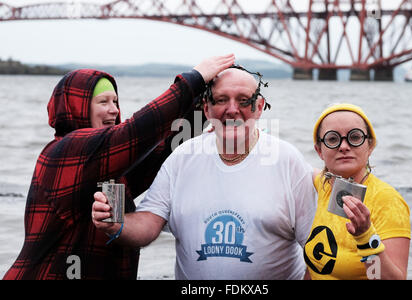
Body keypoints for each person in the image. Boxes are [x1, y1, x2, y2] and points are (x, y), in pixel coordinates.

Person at [3, 54, 235, 280]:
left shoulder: (110, 168)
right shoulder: (64, 151)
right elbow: (137, 132)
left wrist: (207, 110)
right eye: (103, 102)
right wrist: (193, 79)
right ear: (75, 106)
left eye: (115, 101)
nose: (113, 110)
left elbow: (163, 150)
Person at [92, 66, 317, 280]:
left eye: (243, 100)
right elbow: (149, 224)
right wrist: (115, 223)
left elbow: (317, 250)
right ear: (206, 109)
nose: (232, 109)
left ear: (259, 107)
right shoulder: (182, 158)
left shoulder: (288, 160)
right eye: (221, 100)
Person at [303, 103, 411, 280]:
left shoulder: (387, 200)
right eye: (332, 139)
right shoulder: (323, 185)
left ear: (370, 146)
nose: (344, 146)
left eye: (354, 137)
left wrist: (365, 236)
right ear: (319, 151)